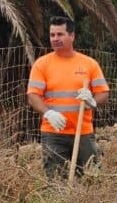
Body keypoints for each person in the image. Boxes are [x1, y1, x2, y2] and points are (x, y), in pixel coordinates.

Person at [27, 16, 110, 178]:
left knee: (91, 177)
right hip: (53, 133)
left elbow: (104, 93)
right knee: (55, 179)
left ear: (72, 36)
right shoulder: (42, 64)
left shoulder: (89, 64)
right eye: (52, 35)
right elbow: (33, 95)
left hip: (83, 132)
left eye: (60, 34)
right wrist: (48, 113)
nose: (55, 39)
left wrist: (92, 101)